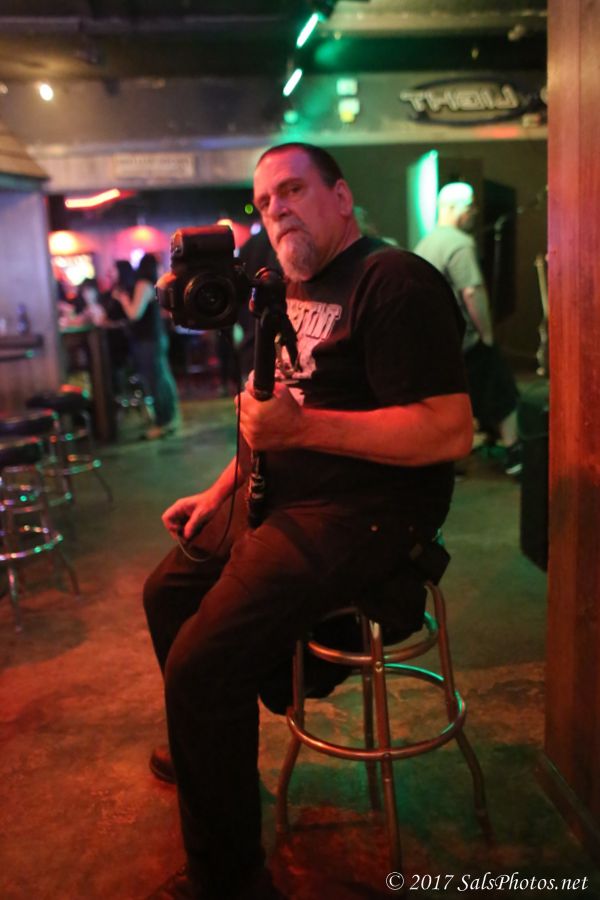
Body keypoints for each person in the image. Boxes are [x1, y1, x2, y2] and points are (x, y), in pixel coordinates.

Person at [143, 143, 472, 900]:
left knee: (201, 666)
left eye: (292, 190)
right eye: (265, 201)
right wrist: (219, 491)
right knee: (166, 594)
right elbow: (272, 416)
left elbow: (450, 430)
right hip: (286, 495)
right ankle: (211, 759)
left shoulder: (393, 280)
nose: (277, 209)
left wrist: (303, 433)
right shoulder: (288, 286)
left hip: (367, 514)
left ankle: (230, 880)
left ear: (342, 196)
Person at [414, 182, 522, 476]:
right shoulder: (460, 244)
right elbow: (472, 291)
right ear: (451, 208)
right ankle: (515, 453)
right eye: (469, 205)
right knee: (502, 391)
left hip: (436, 342)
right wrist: (486, 335)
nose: (475, 211)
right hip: (464, 340)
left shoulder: (426, 243)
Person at [115, 253, 180, 440]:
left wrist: (122, 299)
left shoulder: (143, 284)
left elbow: (134, 313)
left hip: (148, 340)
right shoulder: (152, 283)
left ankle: (163, 422)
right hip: (154, 338)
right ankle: (169, 420)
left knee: (156, 381)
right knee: (162, 379)